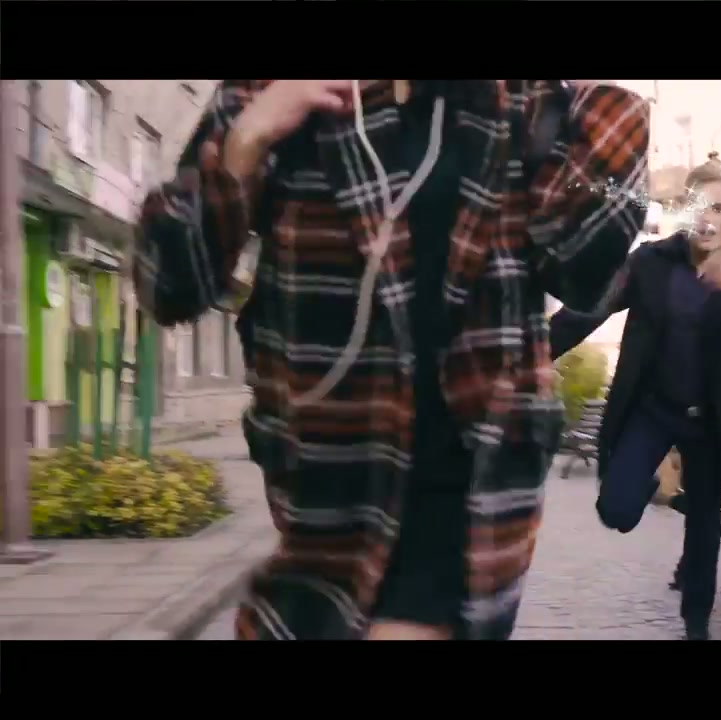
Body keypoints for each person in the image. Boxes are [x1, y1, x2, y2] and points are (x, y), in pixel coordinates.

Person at [133, 80, 649, 640]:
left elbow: (582, 264)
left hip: (470, 489)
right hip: (322, 488)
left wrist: (609, 118)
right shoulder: (274, 90)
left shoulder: (526, 102)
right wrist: (246, 141)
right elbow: (168, 283)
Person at [549, 154, 721, 640]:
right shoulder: (649, 262)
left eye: (720, 209)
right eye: (698, 207)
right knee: (615, 510)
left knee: (703, 527)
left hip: (714, 422)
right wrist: (532, 352)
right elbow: (591, 309)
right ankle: (644, 487)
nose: (708, 219)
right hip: (655, 409)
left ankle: (696, 625)